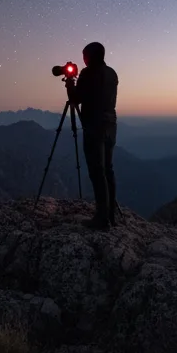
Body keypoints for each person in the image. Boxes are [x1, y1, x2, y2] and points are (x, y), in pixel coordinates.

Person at [64, 41, 119, 230]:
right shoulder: (112, 73)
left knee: (97, 171)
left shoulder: (88, 73)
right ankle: (111, 216)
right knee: (108, 170)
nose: (83, 59)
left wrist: (70, 83)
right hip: (111, 124)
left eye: (84, 56)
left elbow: (75, 99)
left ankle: (101, 219)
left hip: (94, 126)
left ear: (90, 56)